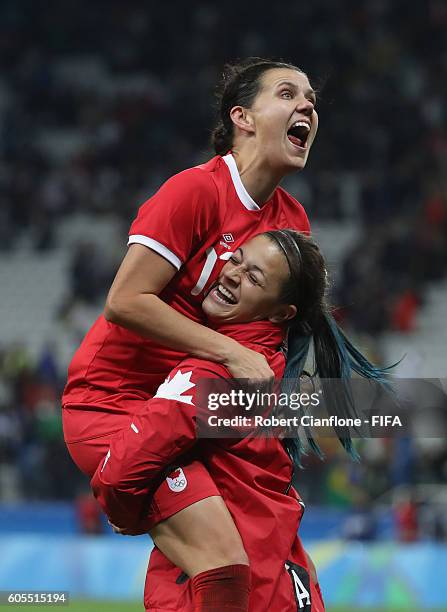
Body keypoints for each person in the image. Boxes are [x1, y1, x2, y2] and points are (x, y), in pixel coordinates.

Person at [62, 57, 319, 608]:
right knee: (223, 562)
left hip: (188, 411)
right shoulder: (195, 192)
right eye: (288, 93)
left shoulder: (290, 224)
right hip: (115, 404)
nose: (308, 107)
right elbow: (125, 301)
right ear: (243, 117)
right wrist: (227, 351)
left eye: (312, 99)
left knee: (255, 567)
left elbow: (268, 339)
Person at [91, 229, 391, 611]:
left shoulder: (214, 375)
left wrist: (131, 512)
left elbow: (118, 474)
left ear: (281, 312)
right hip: (287, 581)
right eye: (236, 258)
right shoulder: (274, 368)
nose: (233, 273)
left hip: (234, 592)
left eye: (254, 277)